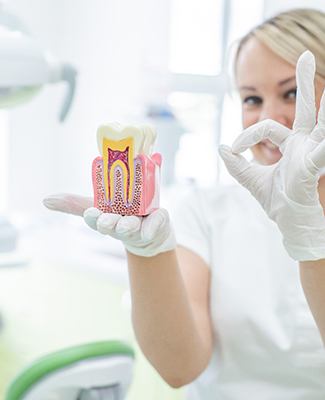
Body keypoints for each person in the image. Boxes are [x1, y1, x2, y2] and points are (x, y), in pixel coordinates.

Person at [43, 8, 325, 399]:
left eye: (291, 92)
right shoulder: (205, 210)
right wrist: (147, 252)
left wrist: (311, 242)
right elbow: (180, 367)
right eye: (251, 98)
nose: (268, 118)